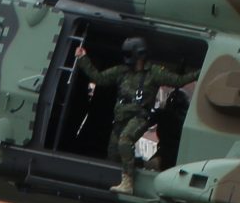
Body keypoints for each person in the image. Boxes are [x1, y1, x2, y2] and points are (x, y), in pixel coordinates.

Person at [76, 36, 194, 193]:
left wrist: (201, 72)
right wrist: (82, 58)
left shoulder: (154, 73)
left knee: (125, 141)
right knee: (114, 155)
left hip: (139, 117)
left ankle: (128, 183)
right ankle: (144, 166)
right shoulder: (122, 72)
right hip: (120, 118)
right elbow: (99, 78)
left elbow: (179, 80)